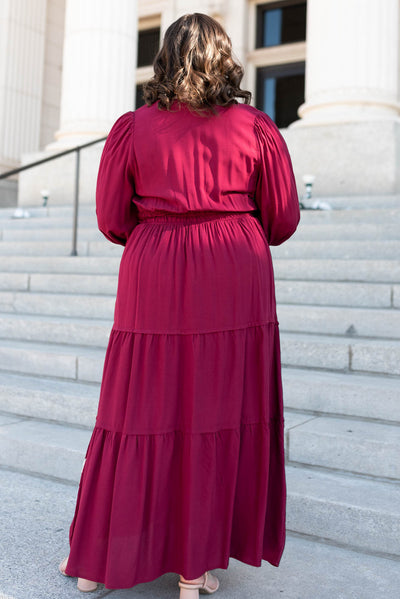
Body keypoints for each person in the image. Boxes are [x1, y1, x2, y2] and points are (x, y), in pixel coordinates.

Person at [58, 12, 300, 597]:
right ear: (225, 59)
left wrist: (160, 228)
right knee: (218, 407)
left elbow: (112, 219)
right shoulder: (256, 127)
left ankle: (96, 562)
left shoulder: (131, 129)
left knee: (138, 409)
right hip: (233, 267)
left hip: (156, 265)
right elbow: (284, 217)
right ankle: (196, 567)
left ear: (165, 59)